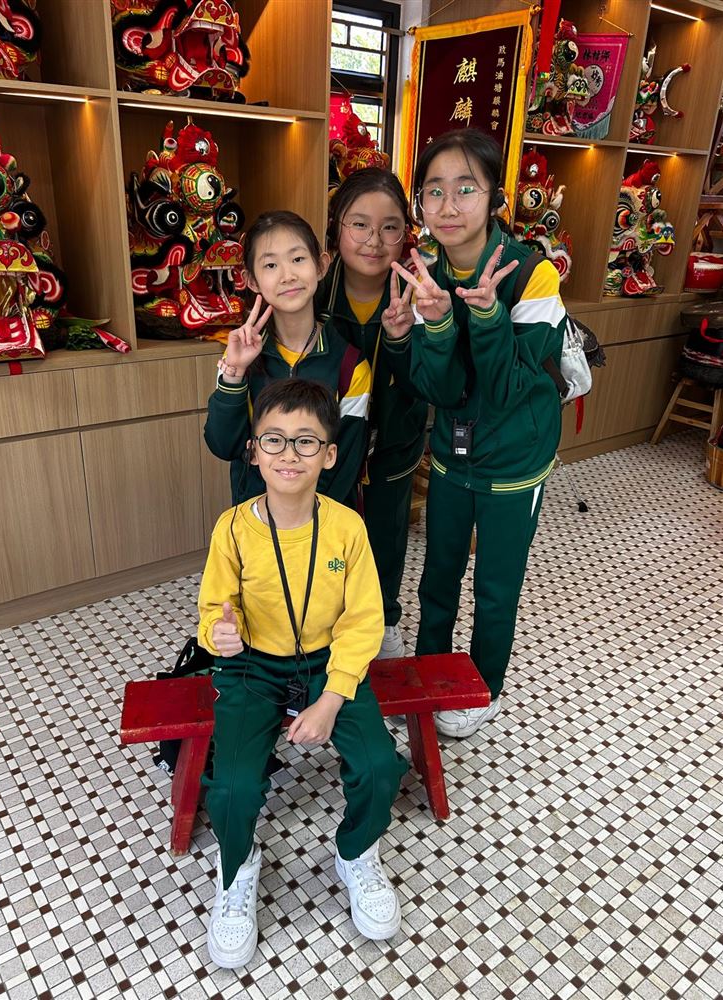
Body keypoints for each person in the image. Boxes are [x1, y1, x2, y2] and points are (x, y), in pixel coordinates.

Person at [198, 378, 407, 970]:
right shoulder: (232, 528)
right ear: (253, 451)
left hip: (327, 662)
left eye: (306, 441)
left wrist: (332, 699)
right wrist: (219, 634)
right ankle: (237, 866)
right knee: (232, 785)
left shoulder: (347, 527)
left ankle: (356, 852)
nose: (289, 454)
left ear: (330, 455)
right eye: (275, 439)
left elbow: (363, 622)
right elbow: (213, 609)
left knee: (379, 764)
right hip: (251, 665)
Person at [387, 128, 566, 738]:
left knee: (495, 585)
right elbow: (439, 390)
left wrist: (486, 314)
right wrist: (432, 324)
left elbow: (509, 386)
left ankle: (484, 686)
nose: (448, 205)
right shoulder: (427, 274)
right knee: (437, 574)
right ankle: (429, 671)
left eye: (466, 188)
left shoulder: (533, 275)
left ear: (495, 198)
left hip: (515, 458)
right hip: (452, 451)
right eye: (433, 191)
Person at [319, 168, 428, 659]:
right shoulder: (314, 292)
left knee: (385, 533)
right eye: (359, 224)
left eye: (390, 227)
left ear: (405, 233)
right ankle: (326, 619)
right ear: (337, 226)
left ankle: (383, 619)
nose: (374, 240)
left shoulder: (421, 294)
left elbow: (431, 378)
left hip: (394, 441)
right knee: (326, 532)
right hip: (328, 445)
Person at [204, 210, 372, 509]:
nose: (288, 275)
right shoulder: (239, 358)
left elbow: (345, 464)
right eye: (270, 265)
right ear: (251, 280)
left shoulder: (350, 365)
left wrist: (300, 520)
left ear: (321, 265)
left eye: (298, 259)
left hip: (324, 520)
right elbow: (224, 445)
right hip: (256, 517)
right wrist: (234, 372)